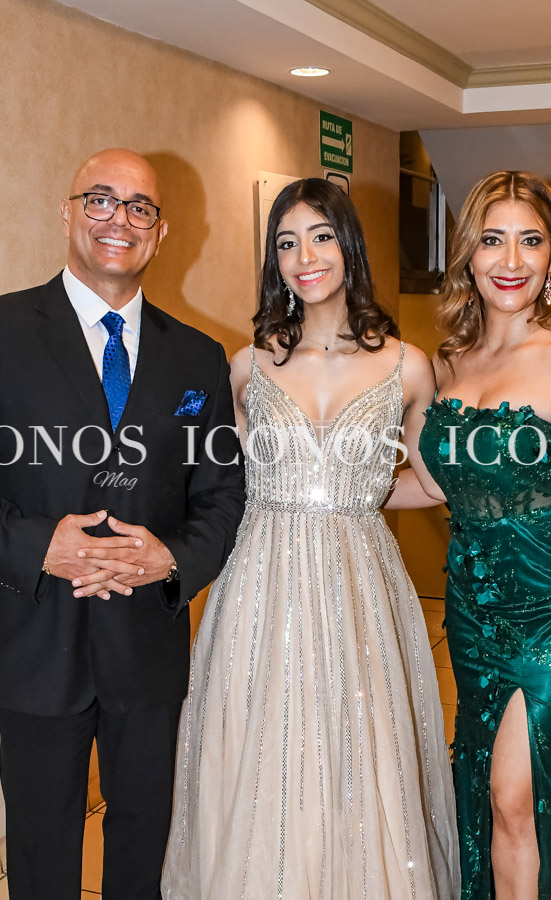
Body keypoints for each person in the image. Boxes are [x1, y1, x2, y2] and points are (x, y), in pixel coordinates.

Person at [0, 148, 245, 900]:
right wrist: (41, 546)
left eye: (139, 207)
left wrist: (172, 560)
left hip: (148, 646)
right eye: (100, 199)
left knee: (142, 842)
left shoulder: (198, 358)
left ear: (160, 232)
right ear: (67, 213)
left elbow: (222, 495)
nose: (118, 219)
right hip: (37, 640)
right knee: (42, 848)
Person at [161, 178, 460, 899]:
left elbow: (436, 484)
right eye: (287, 243)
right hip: (261, 578)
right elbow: (214, 478)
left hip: (359, 579)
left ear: (349, 245)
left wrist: (351, 495)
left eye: (321, 237)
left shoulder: (407, 365)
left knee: (358, 741)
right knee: (263, 739)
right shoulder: (245, 367)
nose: (305, 257)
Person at [394, 170, 551, 899]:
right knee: (487, 797)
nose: (510, 261)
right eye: (492, 240)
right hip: (473, 617)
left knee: (518, 795)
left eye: (529, 241)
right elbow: (436, 487)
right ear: (467, 256)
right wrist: (324, 494)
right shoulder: (448, 363)